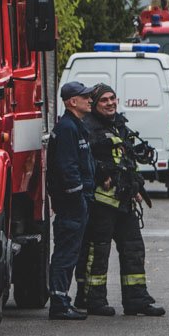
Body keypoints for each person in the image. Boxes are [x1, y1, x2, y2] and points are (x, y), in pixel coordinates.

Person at [77, 84, 164, 317]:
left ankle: (137, 300)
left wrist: (136, 186)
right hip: (101, 204)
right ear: (94, 105)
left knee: (134, 249)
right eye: (104, 100)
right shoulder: (87, 128)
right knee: (98, 251)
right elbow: (84, 161)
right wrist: (102, 173)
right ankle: (92, 300)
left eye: (113, 98)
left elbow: (126, 160)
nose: (110, 103)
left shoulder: (119, 126)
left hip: (124, 200)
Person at [46, 81, 95, 321]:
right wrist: (77, 196)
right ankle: (59, 302)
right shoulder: (67, 128)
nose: (90, 100)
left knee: (70, 250)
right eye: (84, 97)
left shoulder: (75, 126)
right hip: (71, 202)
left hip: (74, 200)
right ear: (72, 102)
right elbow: (67, 167)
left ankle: (62, 298)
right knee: (66, 251)